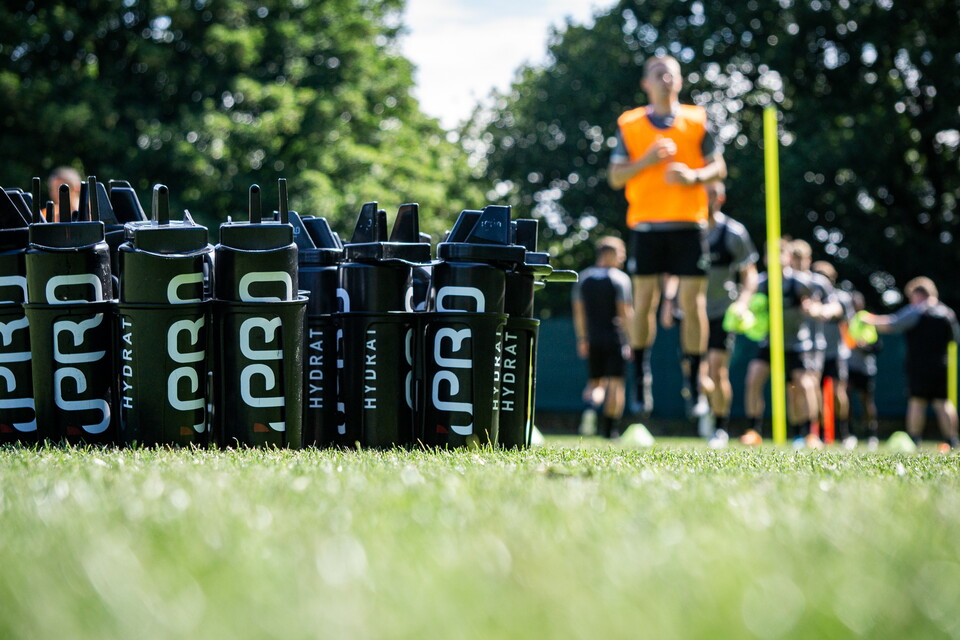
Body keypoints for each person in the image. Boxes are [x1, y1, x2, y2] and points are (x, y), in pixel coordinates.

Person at [607, 54, 726, 417]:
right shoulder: (630, 124)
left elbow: (719, 167)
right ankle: (641, 376)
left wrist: (693, 177)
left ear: (680, 81)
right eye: (657, 74)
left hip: (689, 224)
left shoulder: (697, 119)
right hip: (646, 225)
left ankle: (693, 380)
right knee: (644, 303)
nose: (664, 79)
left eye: (670, 74)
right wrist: (647, 160)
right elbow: (614, 177)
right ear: (646, 83)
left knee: (694, 305)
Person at [661, 181, 758, 443]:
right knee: (692, 369)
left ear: (721, 198)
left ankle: (719, 427)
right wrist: (668, 301)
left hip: (720, 312)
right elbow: (673, 273)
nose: (706, 199)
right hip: (689, 311)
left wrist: (742, 303)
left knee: (717, 371)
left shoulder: (733, 232)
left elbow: (750, 275)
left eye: (711, 195)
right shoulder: (687, 231)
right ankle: (701, 399)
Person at [741, 240, 837, 446]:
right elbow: (744, 298)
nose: (774, 258)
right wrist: (743, 310)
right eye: (769, 254)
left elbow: (833, 303)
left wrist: (819, 310)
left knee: (804, 385)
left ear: (788, 257)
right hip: (769, 343)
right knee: (753, 379)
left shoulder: (803, 282)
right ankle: (753, 431)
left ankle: (809, 434)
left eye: (779, 254)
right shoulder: (761, 282)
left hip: (797, 345)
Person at [863, 277, 960, 450]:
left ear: (918, 294)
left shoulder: (917, 311)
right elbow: (954, 339)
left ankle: (914, 440)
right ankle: (952, 441)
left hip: (919, 366)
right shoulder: (948, 313)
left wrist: (869, 320)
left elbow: (893, 324)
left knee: (917, 402)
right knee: (943, 403)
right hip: (942, 365)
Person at [571, 236, 634, 438]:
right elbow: (625, 312)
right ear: (609, 254)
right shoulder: (620, 279)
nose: (622, 259)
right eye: (620, 254)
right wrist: (630, 340)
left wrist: (582, 339)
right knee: (616, 385)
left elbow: (578, 312)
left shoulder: (584, 278)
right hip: (615, 339)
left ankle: (590, 409)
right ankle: (610, 431)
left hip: (593, 339)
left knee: (595, 384)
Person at [810, 260, 856, 448]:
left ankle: (844, 433)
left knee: (838, 393)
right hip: (814, 352)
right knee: (816, 394)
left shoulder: (842, 299)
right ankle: (820, 435)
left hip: (836, 353)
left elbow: (849, 325)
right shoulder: (808, 298)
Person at [847, 291, 882, 450]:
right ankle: (849, 434)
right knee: (846, 401)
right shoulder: (846, 319)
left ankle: (871, 435)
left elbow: (877, 346)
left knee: (866, 401)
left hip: (865, 368)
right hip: (848, 367)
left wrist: (864, 346)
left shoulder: (867, 319)